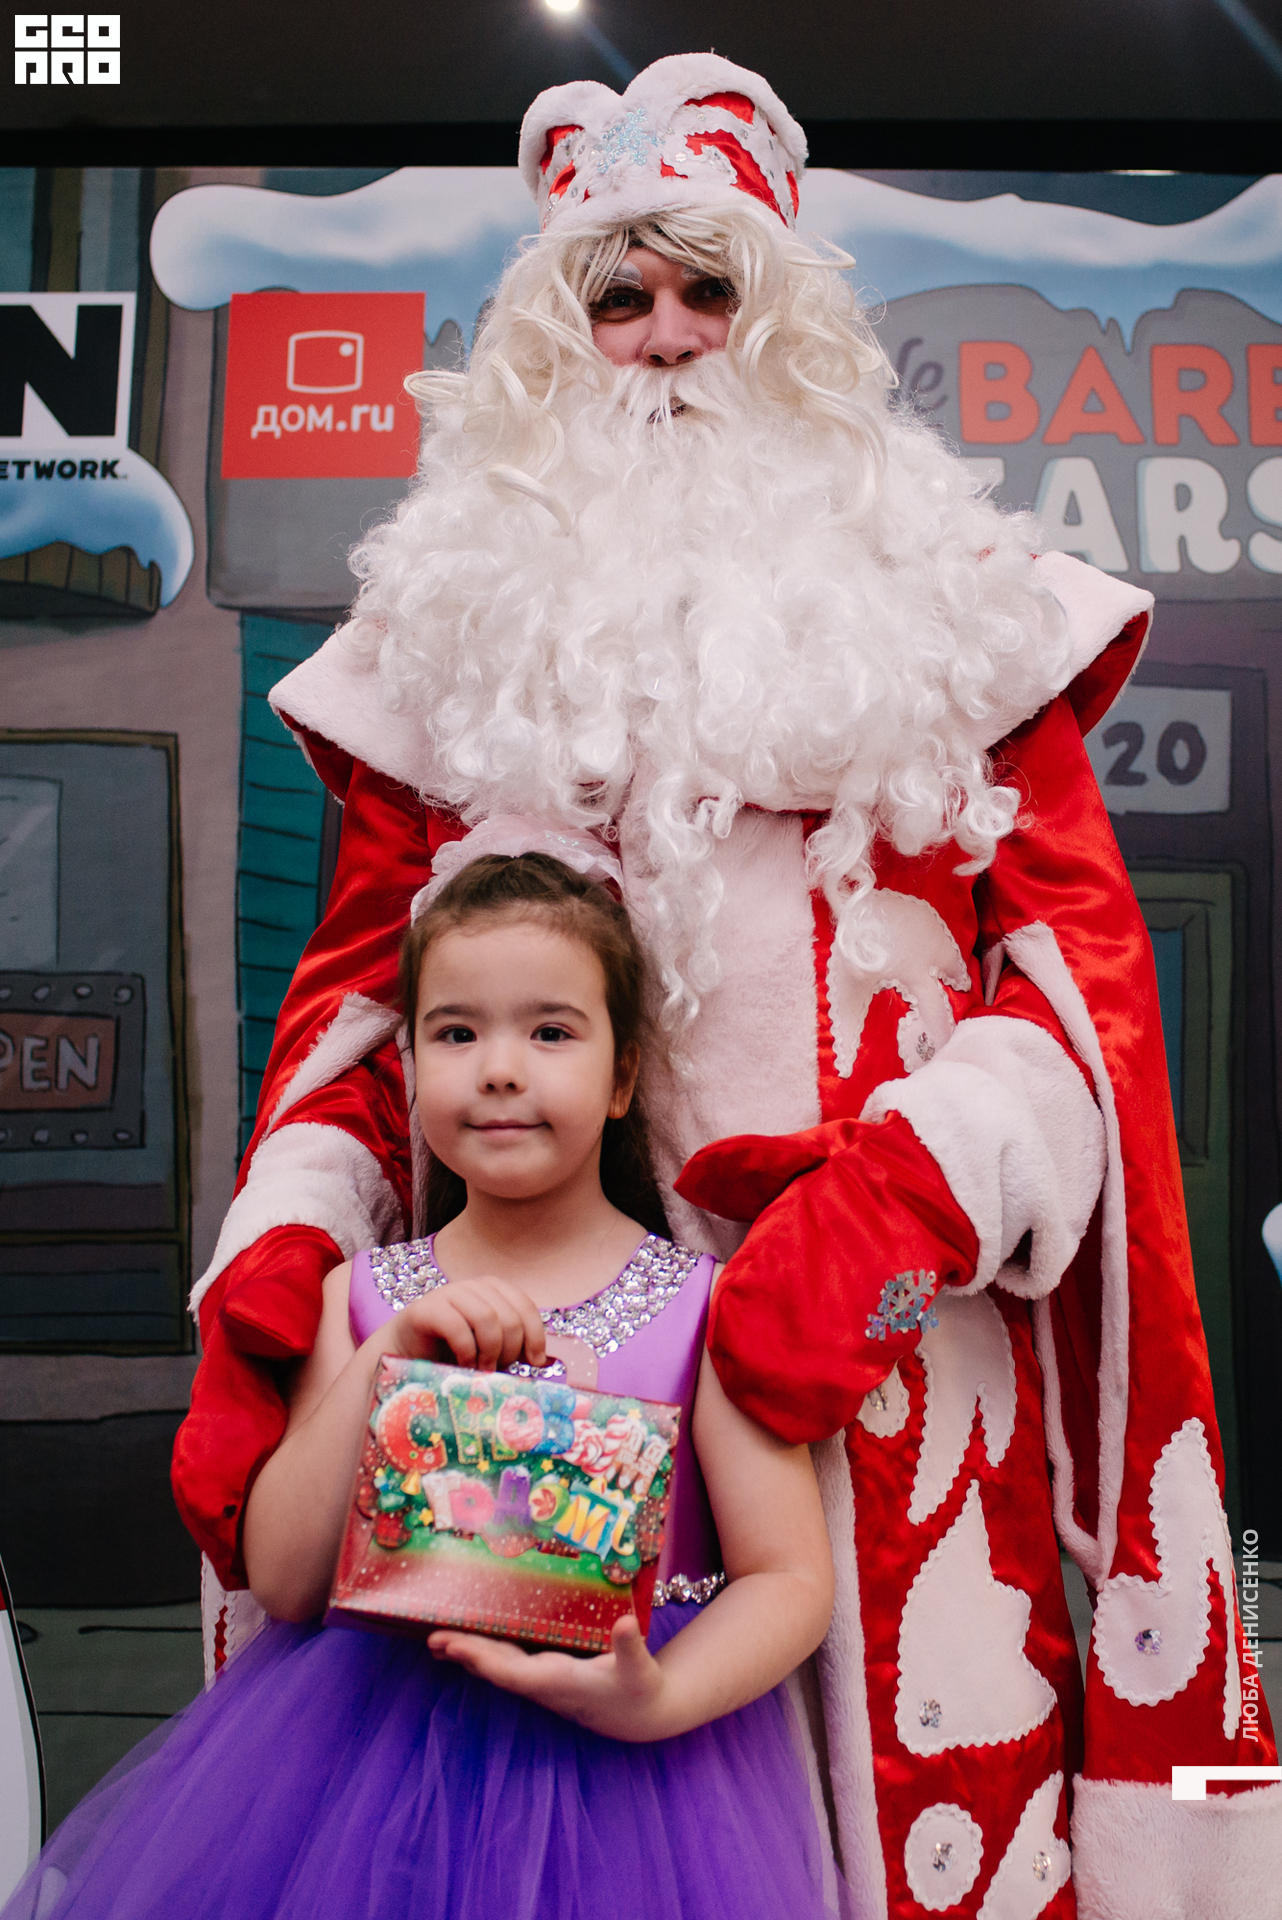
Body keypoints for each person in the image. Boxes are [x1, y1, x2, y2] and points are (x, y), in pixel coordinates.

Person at [174, 52, 1281, 1918]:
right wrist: (285, 1260)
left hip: (883, 1379)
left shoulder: (957, 613)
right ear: (556, 344)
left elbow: (1076, 997)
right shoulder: (445, 653)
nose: (671, 336)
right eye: (620, 296)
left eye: (712, 288)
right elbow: (357, 1022)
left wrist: (889, 1211)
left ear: (789, 326)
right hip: (526, 1377)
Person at [6, 851, 841, 1920]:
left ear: (623, 1076)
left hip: (640, 1796)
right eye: (455, 1033)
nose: (499, 1069)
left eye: (551, 1032)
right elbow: (284, 1579)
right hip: (372, 1789)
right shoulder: (358, 1299)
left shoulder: (709, 1308)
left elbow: (789, 1576)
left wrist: (662, 1695)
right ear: (409, 1068)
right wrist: (384, 1359)